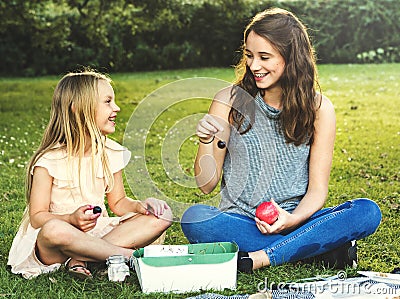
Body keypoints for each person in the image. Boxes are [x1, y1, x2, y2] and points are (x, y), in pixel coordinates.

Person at [181, 8, 381, 273]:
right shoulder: (228, 100)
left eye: (265, 57)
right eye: (249, 56)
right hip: (240, 221)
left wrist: (291, 220)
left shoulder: (319, 109)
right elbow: (205, 185)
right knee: (195, 219)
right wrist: (207, 141)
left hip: (297, 219)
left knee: (366, 211)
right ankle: (311, 249)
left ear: (292, 59)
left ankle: (261, 257)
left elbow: (317, 191)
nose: (254, 66)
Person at [7, 69, 173, 279]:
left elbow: (118, 202)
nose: (117, 108)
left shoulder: (109, 152)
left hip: (96, 232)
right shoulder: (48, 161)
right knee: (54, 229)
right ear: (78, 109)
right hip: (57, 242)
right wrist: (70, 219)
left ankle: (82, 258)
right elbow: (37, 217)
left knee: (163, 215)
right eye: (108, 102)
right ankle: (129, 256)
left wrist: (140, 205)